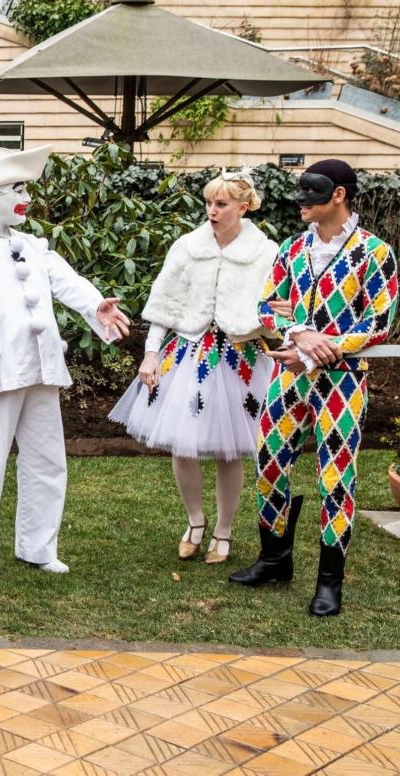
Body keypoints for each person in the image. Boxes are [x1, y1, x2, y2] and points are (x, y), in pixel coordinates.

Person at [0, 146, 130, 586]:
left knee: (46, 458)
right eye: (17, 188)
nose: (25, 196)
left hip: (39, 367)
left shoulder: (32, 246)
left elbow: (67, 282)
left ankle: (38, 546)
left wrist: (97, 306)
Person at [229, 159, 398, 617]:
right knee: (268, 463)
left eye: (311, 194)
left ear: (338, 195)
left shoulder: (374, 253)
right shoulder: (290, 249)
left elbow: (379, 322)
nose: (301, 203)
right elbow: (267, 306)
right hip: (287, 376)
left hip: (342, 382)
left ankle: (329, 582)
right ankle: (274, 559)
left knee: (336, 477)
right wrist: (299, 334)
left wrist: (327, 345)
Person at [108, 169, 278, 564]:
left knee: (229, 451)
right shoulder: (188, 246)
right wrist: (151, 353)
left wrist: (275, 325)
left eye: (221, 204)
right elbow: (164, 303)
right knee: (183, 446)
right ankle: (195, 522)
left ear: (244, 206)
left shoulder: (266, 252)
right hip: (190, 355)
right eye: (209, 203)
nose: (212, 211)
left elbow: (275, 306)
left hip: (242, 358)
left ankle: (224, 530)